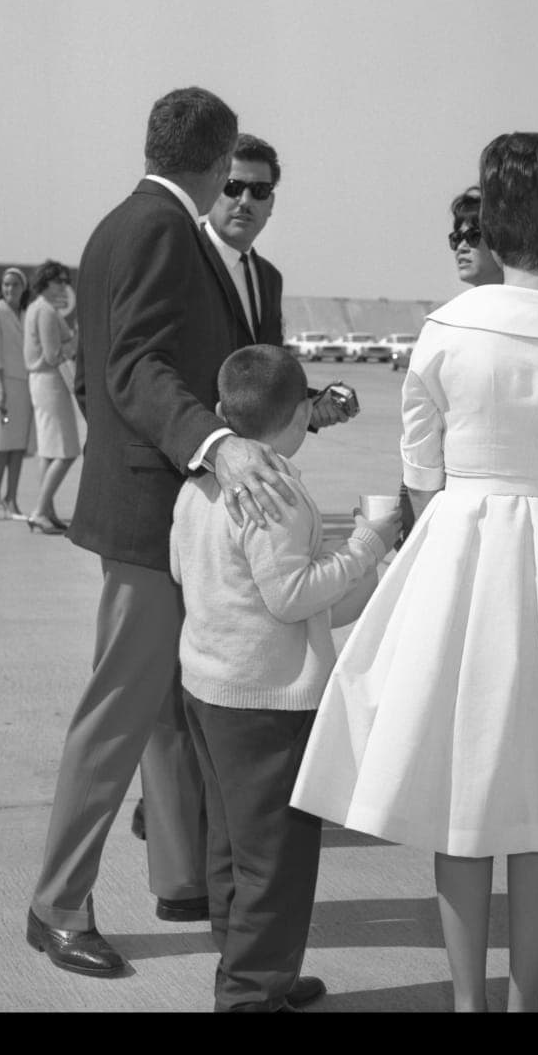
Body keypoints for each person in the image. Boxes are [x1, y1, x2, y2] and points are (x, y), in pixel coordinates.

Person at [292, 132, 538, 1012]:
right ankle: (526, 1001)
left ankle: (468, 1001)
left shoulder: (444, 332)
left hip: (460, 559)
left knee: (463, 797)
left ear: (496, 221)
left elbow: (422, 482)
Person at [27, 86, 309, 984]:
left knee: (164, 714)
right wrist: (216, 445)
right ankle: (57, 905)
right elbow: (134, 366)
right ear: (218, 158)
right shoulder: (158, 229)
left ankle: (182, 883)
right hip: (153, 516)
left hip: (155, 507)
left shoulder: (128, 223)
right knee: (120, 712)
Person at [129, 131, 351, 843]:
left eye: (261, 190)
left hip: (248, 499)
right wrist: (205, 454)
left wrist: (312, 407)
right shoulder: (177, 260)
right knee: (169, 682)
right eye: (234, 186)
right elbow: (135, 371)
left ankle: (204, 824)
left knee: (220, 673)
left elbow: (261, 383)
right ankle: (169, 822)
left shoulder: (269, 278)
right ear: (213, 186)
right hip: (185, 486)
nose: (246, 201)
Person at [171, 344, 399, 1012]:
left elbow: (188, 573)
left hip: (208, 687)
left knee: (232, 846)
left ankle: (251, 960)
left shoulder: (201, 482)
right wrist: (369, 542)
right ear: (302, 412)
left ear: (221, 415)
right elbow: (293, 597)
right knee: (277, 860)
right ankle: (251, 992)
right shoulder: (276, 493)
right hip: (266, 704)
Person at [397, 185, 505, 541]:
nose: (461, 245)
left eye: (474, 235)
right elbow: (421, 446)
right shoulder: (446, 327)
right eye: (455, 237)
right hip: (440, 502)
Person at [23, 260, 81, 535]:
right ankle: (39, 510)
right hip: (49, 382)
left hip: (43, 382)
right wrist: (76, 340)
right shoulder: (45, 311)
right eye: (59, 280)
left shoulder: (38, 308)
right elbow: (53, 355)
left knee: (49, 451)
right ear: (46, 281)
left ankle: (46, 510)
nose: (63, 286)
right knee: (67, 451)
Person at [0, 267, 33, 521]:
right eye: (6, 285)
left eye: (14, 284)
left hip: (24, 386)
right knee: (0, 446)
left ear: (23, 288)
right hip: (1, 385)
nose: (9, 289)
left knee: (17, 447)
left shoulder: (25, 314)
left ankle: (11, 500)